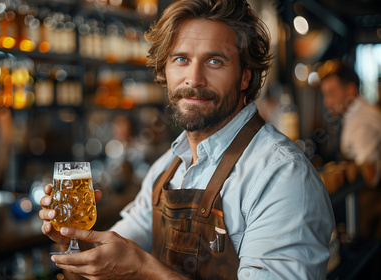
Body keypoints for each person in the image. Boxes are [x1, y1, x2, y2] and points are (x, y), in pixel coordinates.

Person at [39, 0, 335, 279]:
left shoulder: (281, 175)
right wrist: (74, 242)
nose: (194, 79)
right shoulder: (166, 169)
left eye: (215, 61)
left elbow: (136, 267)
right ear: (164, 71)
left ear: (245, 77)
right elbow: (108, 259)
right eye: (181, 59)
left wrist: (145, 270)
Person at [320, 60, 381, 188]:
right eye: (325, 95)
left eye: (331, 93)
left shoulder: (361, 119)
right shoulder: (355, 112)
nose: (327, 102)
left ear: (351, 90)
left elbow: (369, 173)